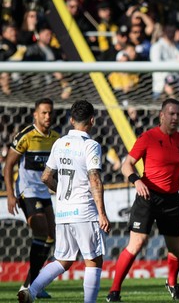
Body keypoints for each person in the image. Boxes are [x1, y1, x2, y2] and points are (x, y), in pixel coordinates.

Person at [17, 100, 110, 303]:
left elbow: (46, 177)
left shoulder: (60, 143)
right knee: (94, 260)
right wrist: (102, 213)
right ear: (92, 120)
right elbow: (94, 178)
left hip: (64, 212)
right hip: (84, 210)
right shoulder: (90, 145)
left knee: (63, 260)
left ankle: (30, 291)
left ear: (71, 120)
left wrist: (61, 193)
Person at [107, 98, 179, 302]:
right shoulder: (148, 138)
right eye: (171, 114)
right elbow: (126, 164)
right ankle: (114, 291)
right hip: (147, 196)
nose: (175, 118)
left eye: (178, 115)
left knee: (176, 249)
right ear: (162, 115)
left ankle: (172, 283)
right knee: (137, 243)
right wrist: (136, 181)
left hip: (171, 199)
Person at [3, 98, 60, 299]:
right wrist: (11, 195)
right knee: (42, 230)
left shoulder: (56, 138)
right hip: (27, 192)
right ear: (35, 114)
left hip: (45, 193)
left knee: (54, 237)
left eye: (50, 112)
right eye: (43, 113)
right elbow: (8, 165)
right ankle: (27, 286)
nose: (47, 116)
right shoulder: (25, 136)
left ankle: (34, 283)